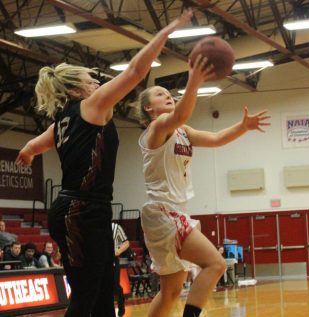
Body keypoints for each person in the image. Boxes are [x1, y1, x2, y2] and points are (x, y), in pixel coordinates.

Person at [15, 10, 194, 317]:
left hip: (87, 210)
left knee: (101, 292)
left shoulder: (64, 119)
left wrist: (28, 153)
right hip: (79, 211)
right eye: (91, 80)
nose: (97, 83)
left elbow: (35, 145)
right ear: (75, 90)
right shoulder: (90, 107)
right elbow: (136, 72)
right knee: (87, 294)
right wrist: (165, 32)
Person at [137, 60, 270, 316]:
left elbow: (217, 139)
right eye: (159, 94)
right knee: (215, 263)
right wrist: (194, 81)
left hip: (169, 213)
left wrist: (242, 127)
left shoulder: (183, 130)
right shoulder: (157, 128)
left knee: (170, 292)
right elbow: (180, 115)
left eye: (168, 93)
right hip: (163, 211)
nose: (167, 95)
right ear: (148, 108)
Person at [112, 222, 129, 316]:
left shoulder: (115, 227)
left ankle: (121, 306)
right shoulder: (93, 227)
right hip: (98, 260)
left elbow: (126, 243)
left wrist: (118, 250)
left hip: (112, 259)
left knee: (115, 285)